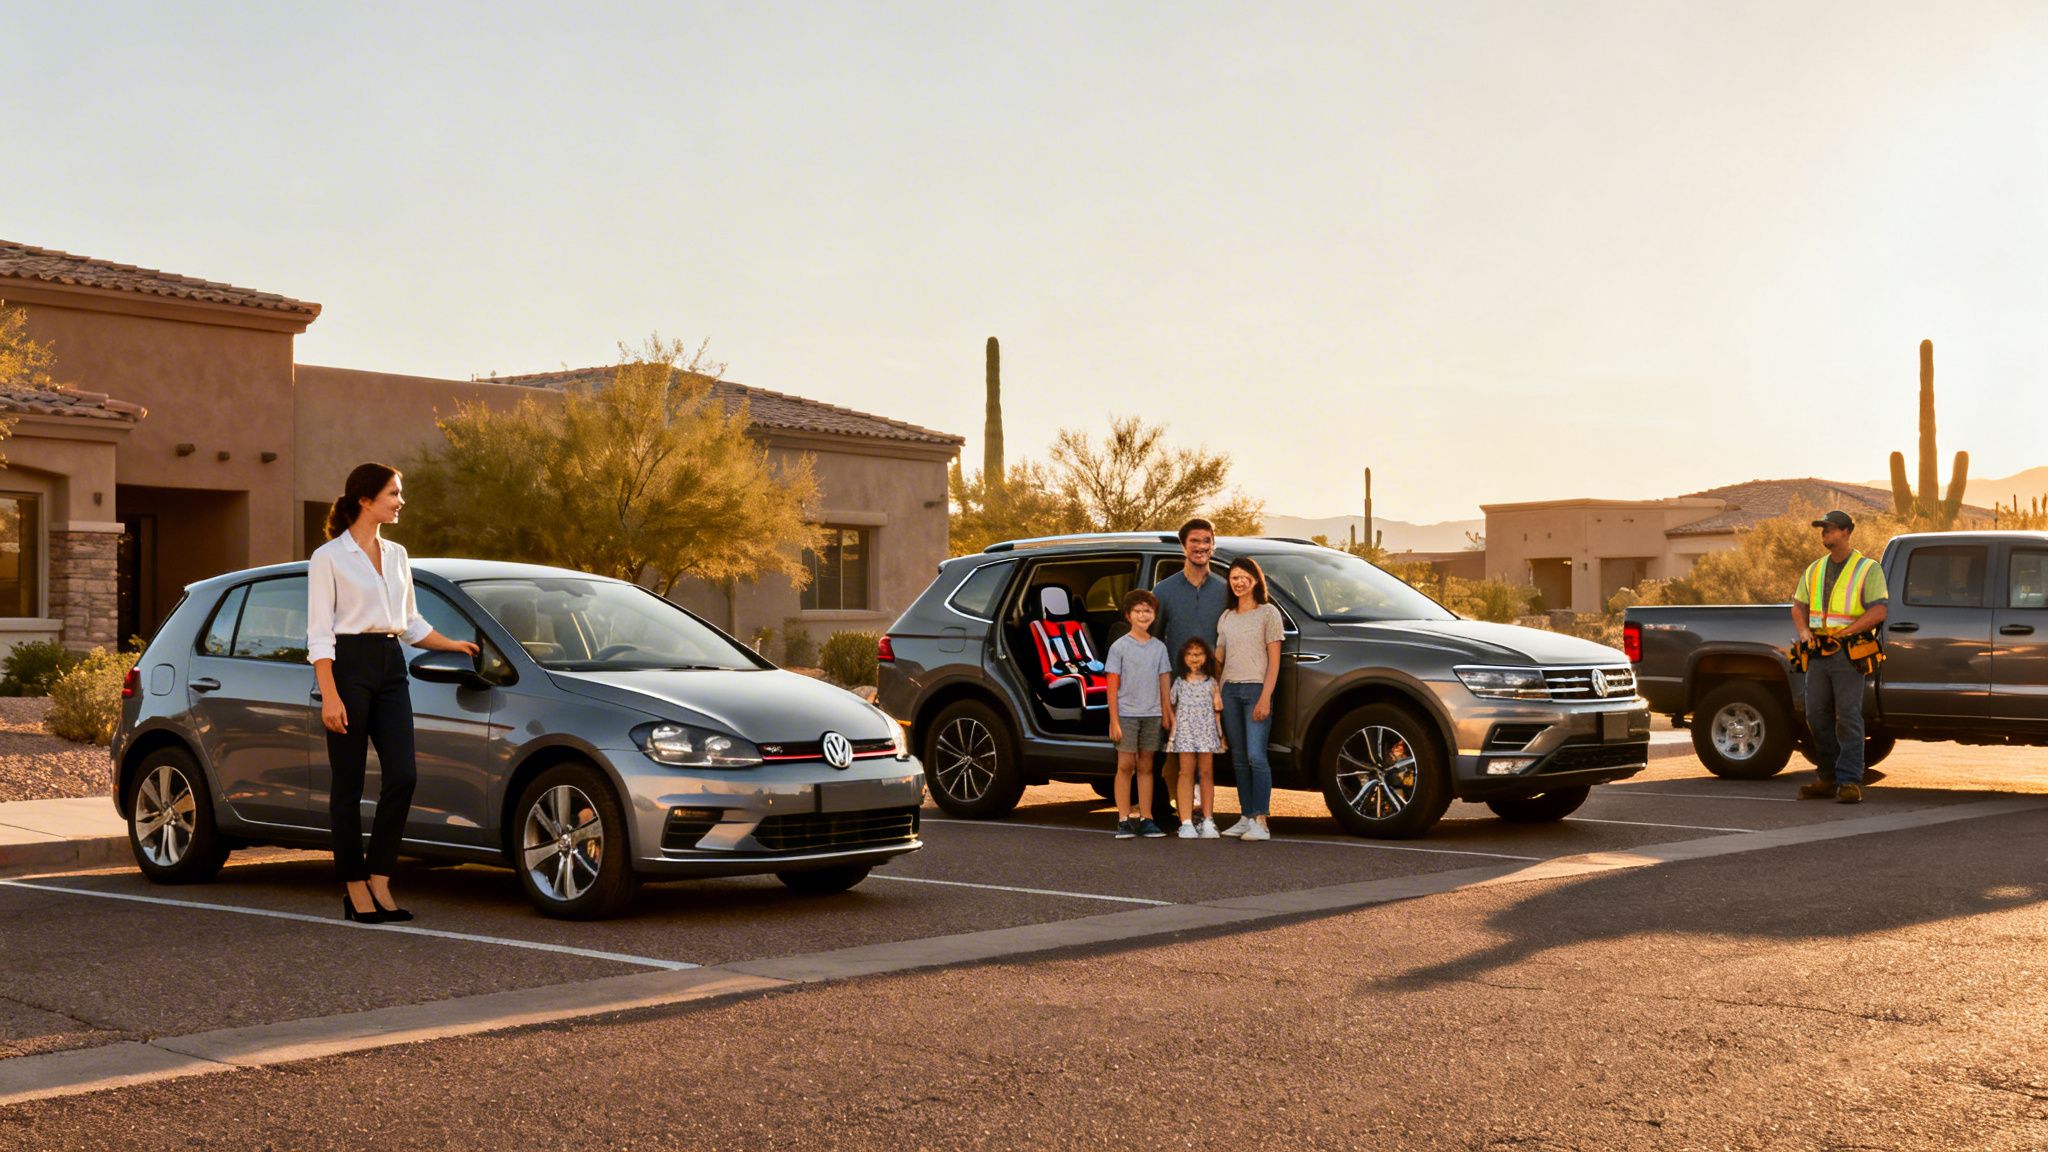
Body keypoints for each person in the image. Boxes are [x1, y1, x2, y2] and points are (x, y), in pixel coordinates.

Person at [308, 463, 480, 922]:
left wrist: (453, 644)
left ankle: (380, 878)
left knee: (403, 776)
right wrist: (330, 694)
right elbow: (320, 635)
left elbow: (409, 624)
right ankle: (354, 888)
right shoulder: (328, 558)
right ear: (365, 500)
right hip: (347, 668)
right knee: (346, 786)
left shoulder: (399, 555)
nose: (400, 502)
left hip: (390, 668)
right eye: (393, 494)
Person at [1790, 509, 1889, 804]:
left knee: (1847, 717)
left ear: (1846, 531)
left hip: (1849, 653)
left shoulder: (1867, 569)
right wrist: (1804, 631)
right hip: (1818, 653)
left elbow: (1879, 610)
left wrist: (1847, 632)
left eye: (1830, 528)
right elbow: (1798, 605)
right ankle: (1828, 776)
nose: (1824, 533)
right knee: (1816, 715)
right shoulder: (1815, 569)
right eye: (1822, 528)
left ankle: (1848, 782)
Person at [1152, 518, 1230, 823]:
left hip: (1213, 687)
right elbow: (1154, 643)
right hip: (1176, 686)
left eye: (1206, 541)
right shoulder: (1165, 590)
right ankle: (1170, 811)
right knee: (1170, 752)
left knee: (1207, 753)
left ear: (1213, 545)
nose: (1200, 546)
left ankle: (1201, 812)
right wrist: (1161, 694)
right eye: (1194, 541)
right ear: (1184, 546)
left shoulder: (1225, 590)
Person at [1215, 556, 1283, 841]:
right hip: (1229, 690)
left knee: (1256, 756)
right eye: (1234, 578)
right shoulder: (1227, 617)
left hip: (1256, 690)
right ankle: (1245, 816)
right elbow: (1219, 658)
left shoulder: (1268, 614)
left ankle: (1261, 820)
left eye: (1244, 576)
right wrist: (1214, 690)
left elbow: (1274, 660)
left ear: (1255, 580)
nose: (1239, 582)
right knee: (1240, 759)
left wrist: (1265, 696)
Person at [1104, 589, 1172, 839]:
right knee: (1125, 765)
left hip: (1152, 714)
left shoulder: (1159, 648)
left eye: (1148, 611)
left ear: (1154, 615)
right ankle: (1123, 818)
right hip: (1126, 714)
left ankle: (1147, 817)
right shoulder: (1119, 647)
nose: (1143, 615)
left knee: (1147, 766)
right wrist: (1114, 720)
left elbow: (1164, 681)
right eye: (1138, 611)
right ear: (1128, 615)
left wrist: (1166, 712)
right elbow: (1112, 684)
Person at [1164, 636, 1226, 839]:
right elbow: (1170, 704)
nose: (1194, 658)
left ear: (1206, 657)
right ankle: (1186, 821)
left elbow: (1217, 712)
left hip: (1206, 732)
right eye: (1189, 654)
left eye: (1198, 654)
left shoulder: (1212, 683)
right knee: (1185, 773)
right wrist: (1173, 726)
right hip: (1185, 733)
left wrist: (1220, 735)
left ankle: (1208, 819)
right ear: (1183, 657)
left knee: (1207, 773)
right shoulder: (1179, 682)